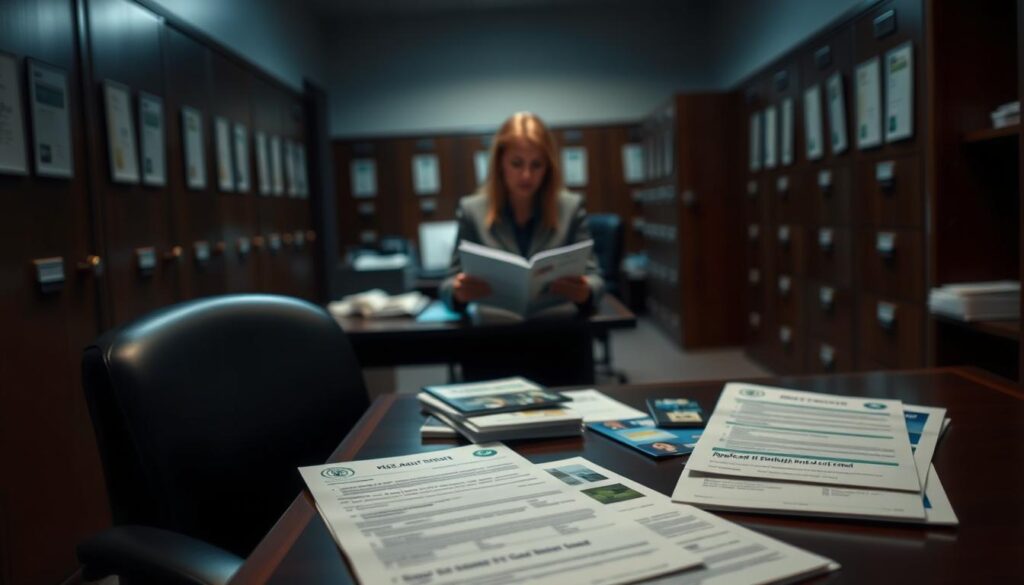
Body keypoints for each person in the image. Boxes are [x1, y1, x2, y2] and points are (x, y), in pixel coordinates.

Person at [440, 112, 605, 312]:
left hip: (557, 329)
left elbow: (596, 280)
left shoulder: (571, 208)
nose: (526, 175)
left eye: (536, 165)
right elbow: (448, 285)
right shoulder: (471, 210)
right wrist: (458, 293)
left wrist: (585, 292)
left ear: (548, 167)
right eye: (517, 163)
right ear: (500, 163)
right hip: (497, 330)